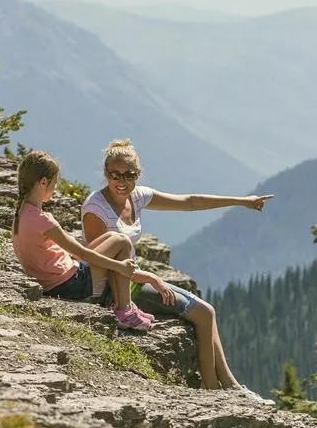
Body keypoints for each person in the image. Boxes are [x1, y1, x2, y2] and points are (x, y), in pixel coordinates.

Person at [81, 139, 273, 393]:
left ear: (137, 175)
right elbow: (98, 264)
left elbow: (189, 202)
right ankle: (217, 388)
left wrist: (241, 201)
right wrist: (149, 278)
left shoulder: (136, 198)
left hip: (132, 279)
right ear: (106, 174)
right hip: (114, 289)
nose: (121, 181)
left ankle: (230, 386)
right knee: (204, 314)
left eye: (129, 175)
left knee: (207, 313)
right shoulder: (96, 208)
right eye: (114, 175)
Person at [12, 150, 151, 331]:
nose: (55, 189)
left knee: (113, 237)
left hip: (50, 280)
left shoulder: (21, 214)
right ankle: (125, 311)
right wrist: (119, 266)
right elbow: (82, 253)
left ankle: (123, 306)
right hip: (69, 284)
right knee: (123, 242)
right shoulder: (42, 220)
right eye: (54, 184)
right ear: (43, 182)